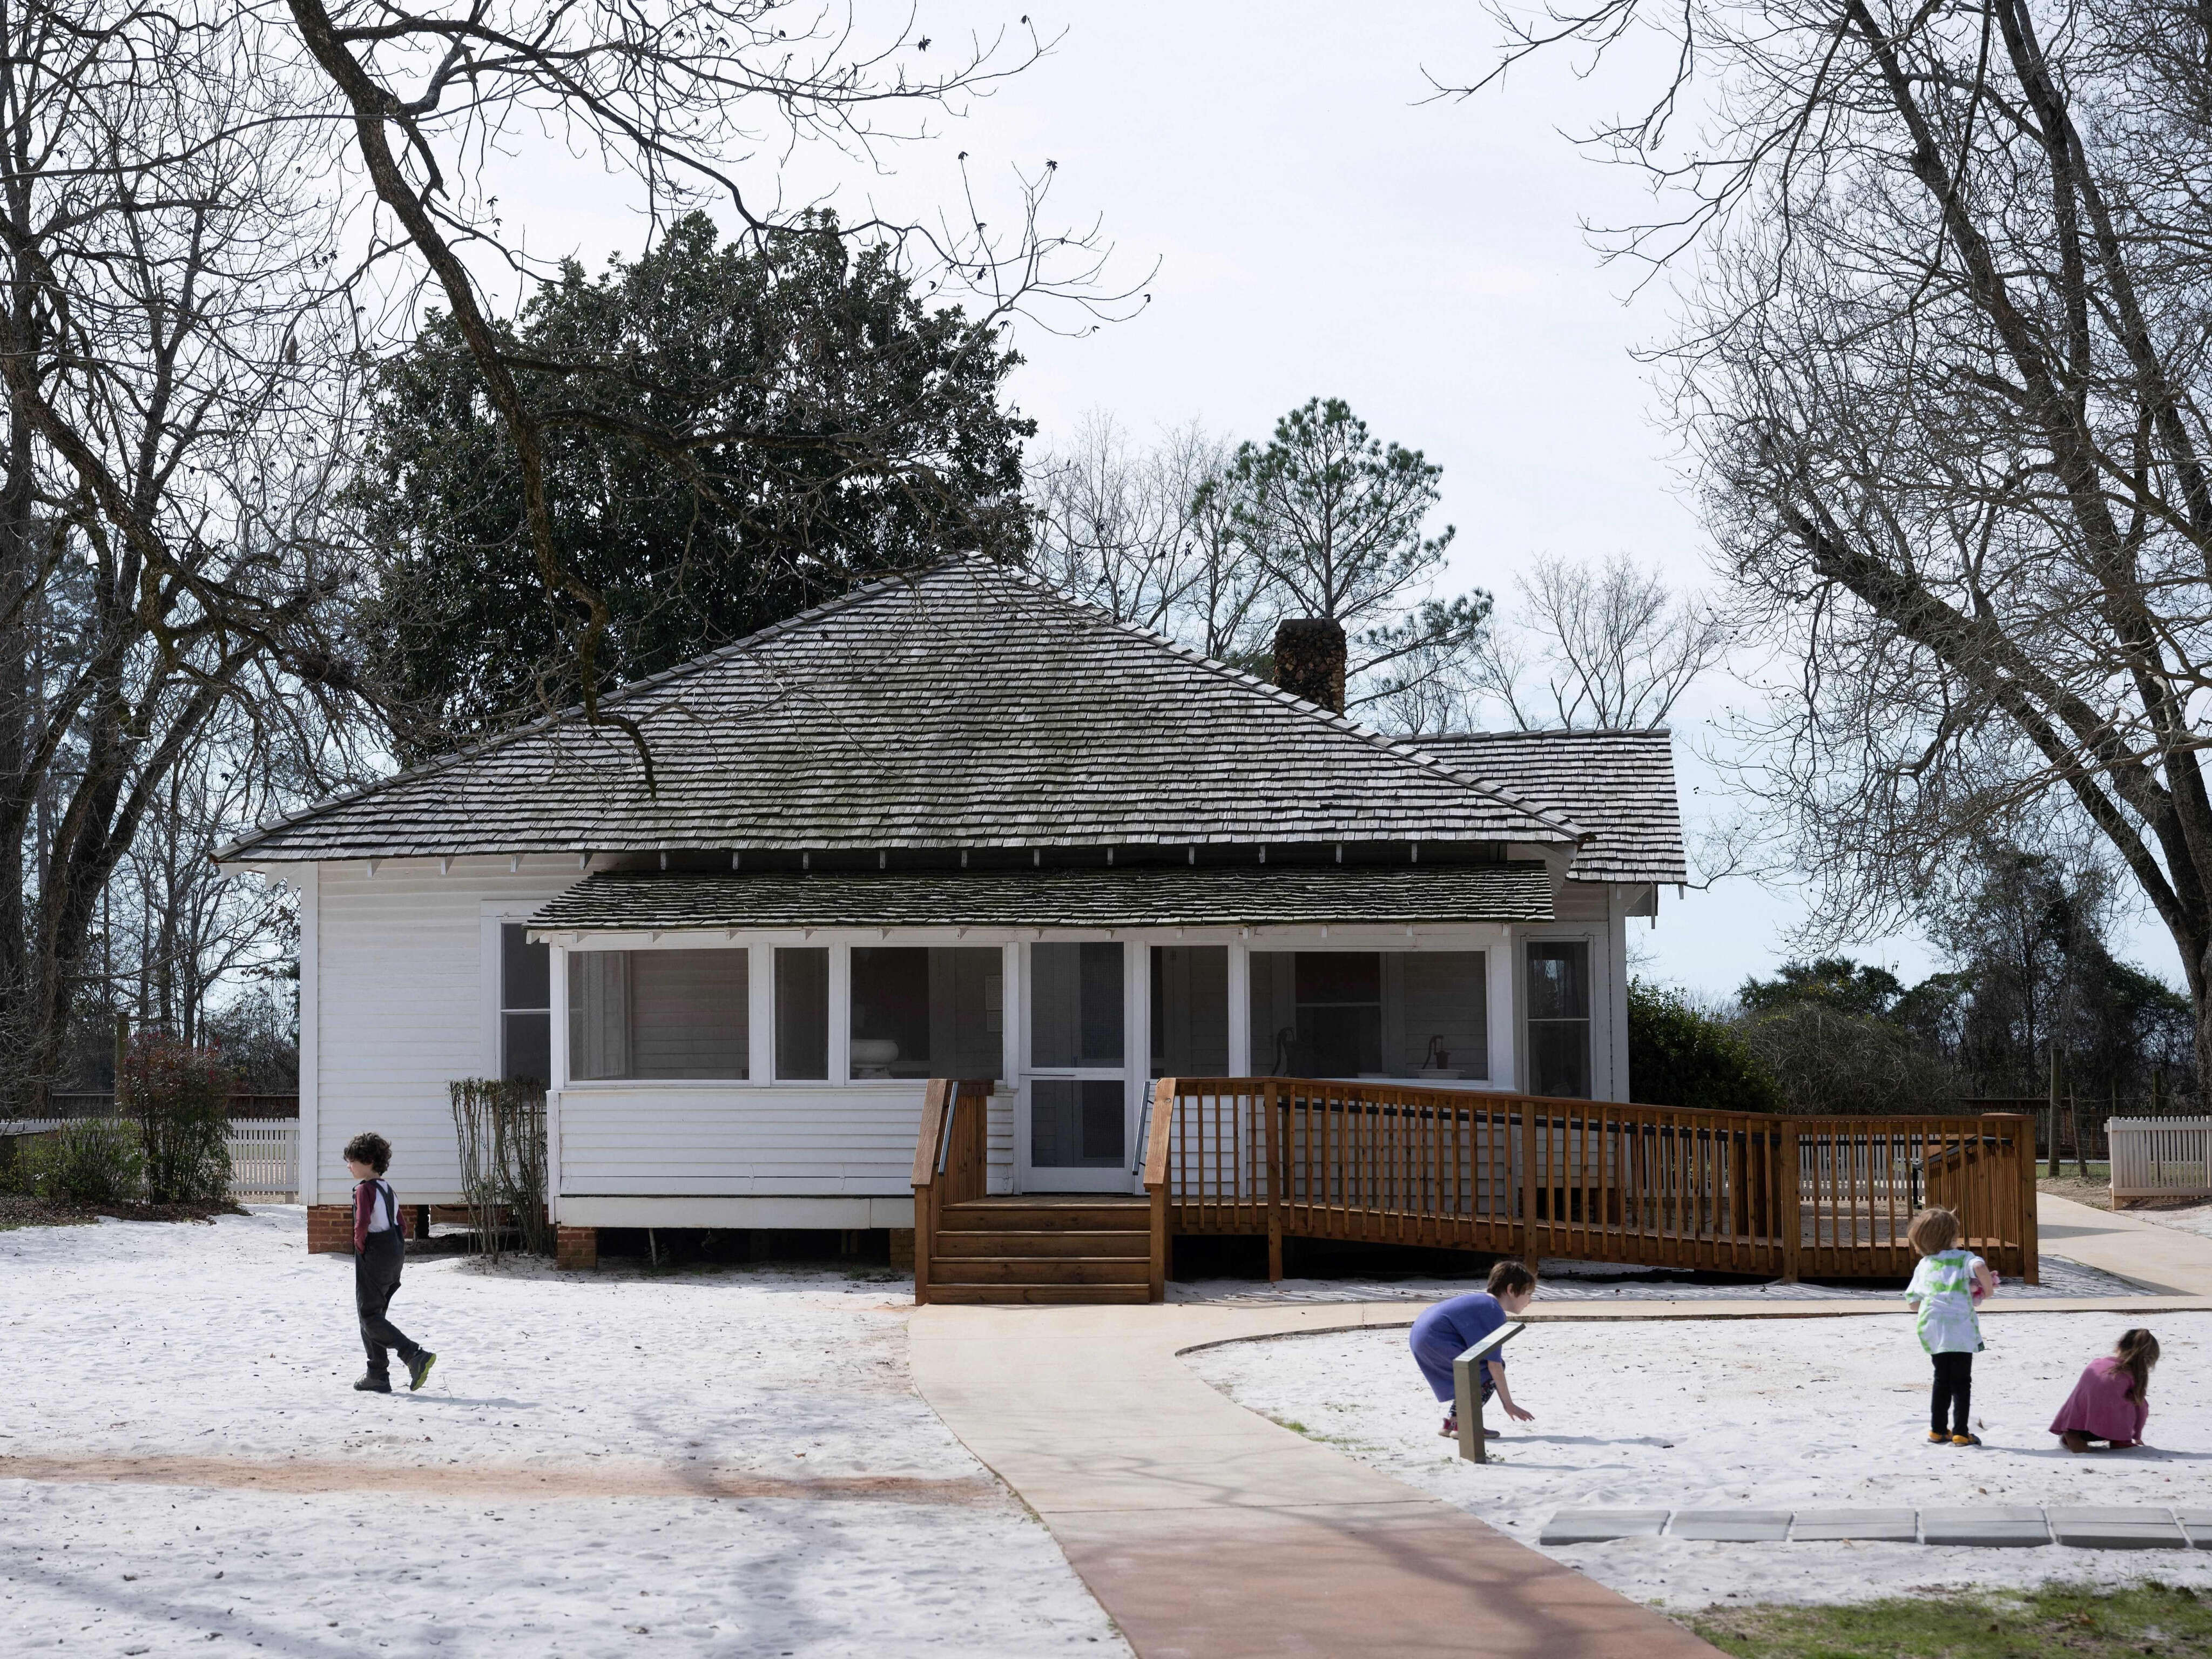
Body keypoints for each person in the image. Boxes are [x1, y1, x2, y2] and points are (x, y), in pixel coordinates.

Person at [344, 1132, 437, 1394]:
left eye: (352, 1160)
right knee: (374, 1315)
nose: (348, 1165)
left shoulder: (364, 1190)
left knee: (369, 1316)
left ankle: (414, 1355)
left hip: (374, 1253)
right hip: (394, 1252)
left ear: (368, 1161)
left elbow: (361, 1223)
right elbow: (403, 1224)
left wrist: (360, 1246)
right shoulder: (388, 1189)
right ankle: (377, 1374)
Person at [1409, 1260, 1537, 1441]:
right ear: (1511, 1290)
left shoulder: (1483, 1303)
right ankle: (1465, 1424)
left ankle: (1453, 1422)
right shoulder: (1493, 1310)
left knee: (1472, 1370)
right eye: (1528, 1294)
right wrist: (1509, 1405)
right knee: (1486, 1370)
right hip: (1435, 1340)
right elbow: (1494, 1365)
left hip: (1421, 1338)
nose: (1529, 1301)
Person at [1903, 1206, 1997, 1446]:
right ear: (1952, 1235)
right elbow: (1979, 1268)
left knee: (1941, 1378)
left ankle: (1937, 1429)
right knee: (1962, 1381)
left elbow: (1913, 1303)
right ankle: (1961, 1432)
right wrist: (1987, 1290)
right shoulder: (1964, 1258)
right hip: (1960, 1329)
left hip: (1933, 1328)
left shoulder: (1925, 1265)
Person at [2050, 1329, 2160, 1452]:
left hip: (2077, 1424)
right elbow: (2142, 1409)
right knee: (2132, 1401)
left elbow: (2076, 1397)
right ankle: (2120, 1441)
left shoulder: (2095, 1364)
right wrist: (2136, 1435)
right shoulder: (2134, 1376)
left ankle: (2071, 1434)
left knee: (2087, 1395)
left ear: (2119, 1345)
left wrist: (2065, 1423)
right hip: (2112, 1429)